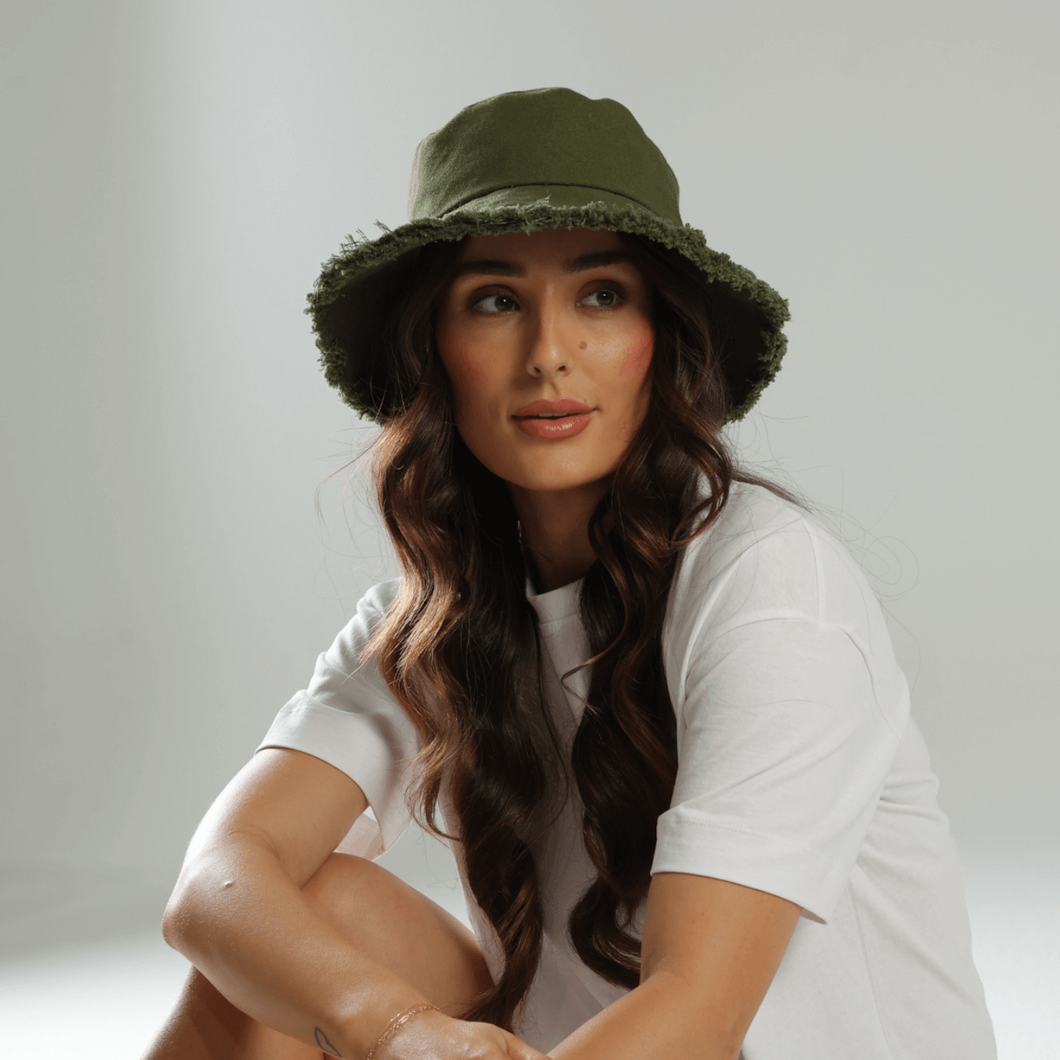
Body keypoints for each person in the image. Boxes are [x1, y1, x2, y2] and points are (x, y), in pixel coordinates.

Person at [143, 88, 996, 1060]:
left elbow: (695, 1013)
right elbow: (217, 882)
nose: (550, 354)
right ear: (437, 351)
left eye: (600, 295)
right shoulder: (428, 620)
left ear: (659, 343)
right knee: (311, 910)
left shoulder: (767, 582)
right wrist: (395, 1028)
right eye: (496, 301)